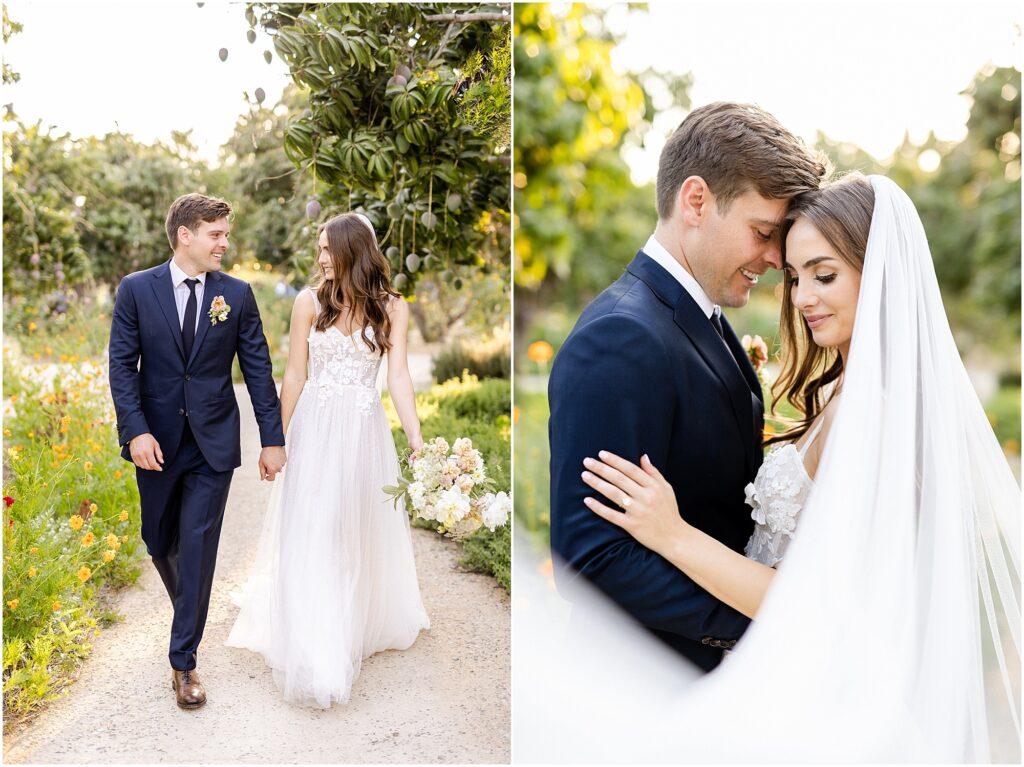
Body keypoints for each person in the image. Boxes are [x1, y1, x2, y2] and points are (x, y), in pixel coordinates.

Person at [581, 174, 1021, 761]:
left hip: (808, 700)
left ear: (880, 272)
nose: (802, 296)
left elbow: (805, 600)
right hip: (782, 683)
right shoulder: (844, 392)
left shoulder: (878, 412)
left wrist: (671, 533)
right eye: (793, 277)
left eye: (825, 274)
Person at [547, 101, 828, 670]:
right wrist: (763, 626)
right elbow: (592, 558)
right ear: (696, 201)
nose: (775, 259)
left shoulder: (704, 318)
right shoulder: (621, 338)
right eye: (762, 233)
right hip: (645, 686)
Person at [226, 212, 429, 708]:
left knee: (352, 526)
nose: (319, 258)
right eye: (317, 249)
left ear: (353, 251)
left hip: (363, 432)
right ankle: (318, 638)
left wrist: (418, 441)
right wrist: (275, 438)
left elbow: (398, 378)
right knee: (315, 526)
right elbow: (293, 374)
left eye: (326, 249)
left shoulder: (392, 309)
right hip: (315, 430)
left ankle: (353, 618)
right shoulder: (307, 303)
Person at [108, 193, 286, 710]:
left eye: (225, 234)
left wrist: (272, 439)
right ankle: (193, 603)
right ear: (185, 234)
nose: (225, 244)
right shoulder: (136, 290)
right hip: (155, 443)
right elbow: (122, 366)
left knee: (200, 544)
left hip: (213, 445)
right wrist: (135, 431)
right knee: (158, 538)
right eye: (216, 234)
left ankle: (183, 662)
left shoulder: (237, 294)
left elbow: (258, 370)